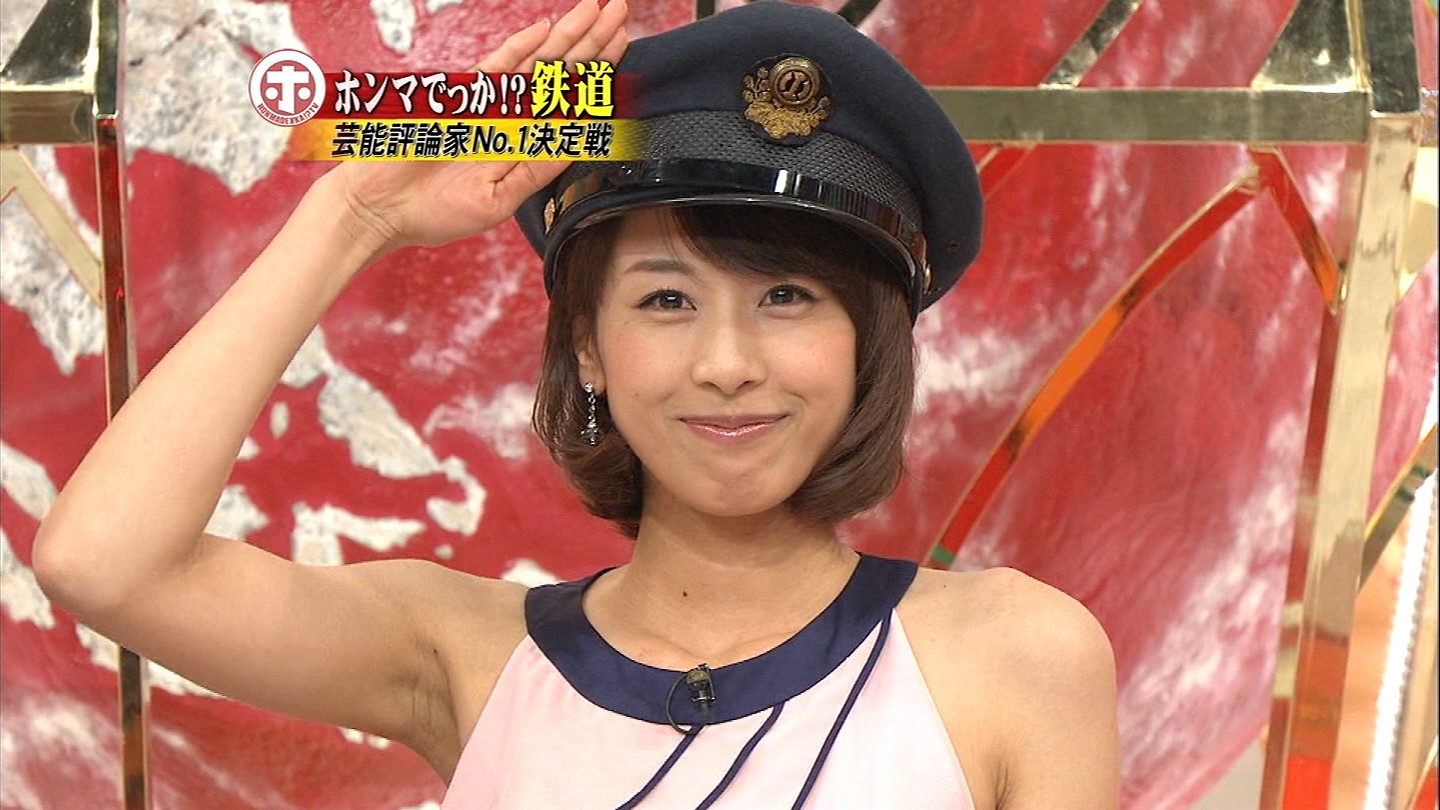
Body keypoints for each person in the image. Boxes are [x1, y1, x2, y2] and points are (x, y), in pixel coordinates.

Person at [34, 0, 1119, 807]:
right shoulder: (462, 656)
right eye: (666, 300)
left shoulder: (1015, 656)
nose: (726, 363)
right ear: (589, 349)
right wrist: (353, 215)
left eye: (787, 297)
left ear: (866, 346)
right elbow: (103, 563)